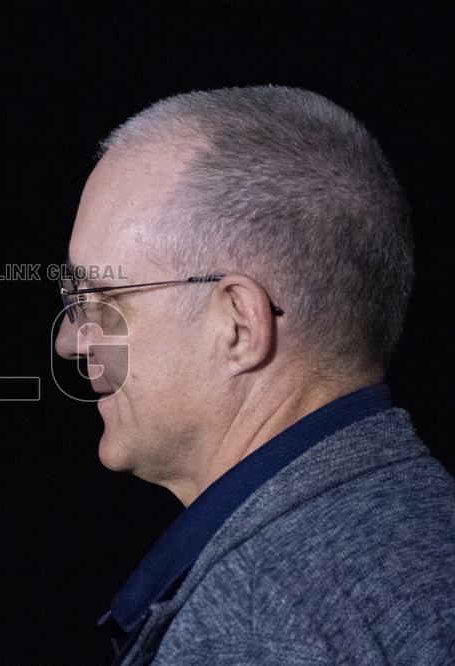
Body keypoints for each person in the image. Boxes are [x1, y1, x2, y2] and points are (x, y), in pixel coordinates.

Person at [55, 86, 455, 664]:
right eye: (75, 298)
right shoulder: (424, 524)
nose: (72, 340)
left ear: (238, 325)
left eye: (106, 298)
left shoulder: (251, 624)